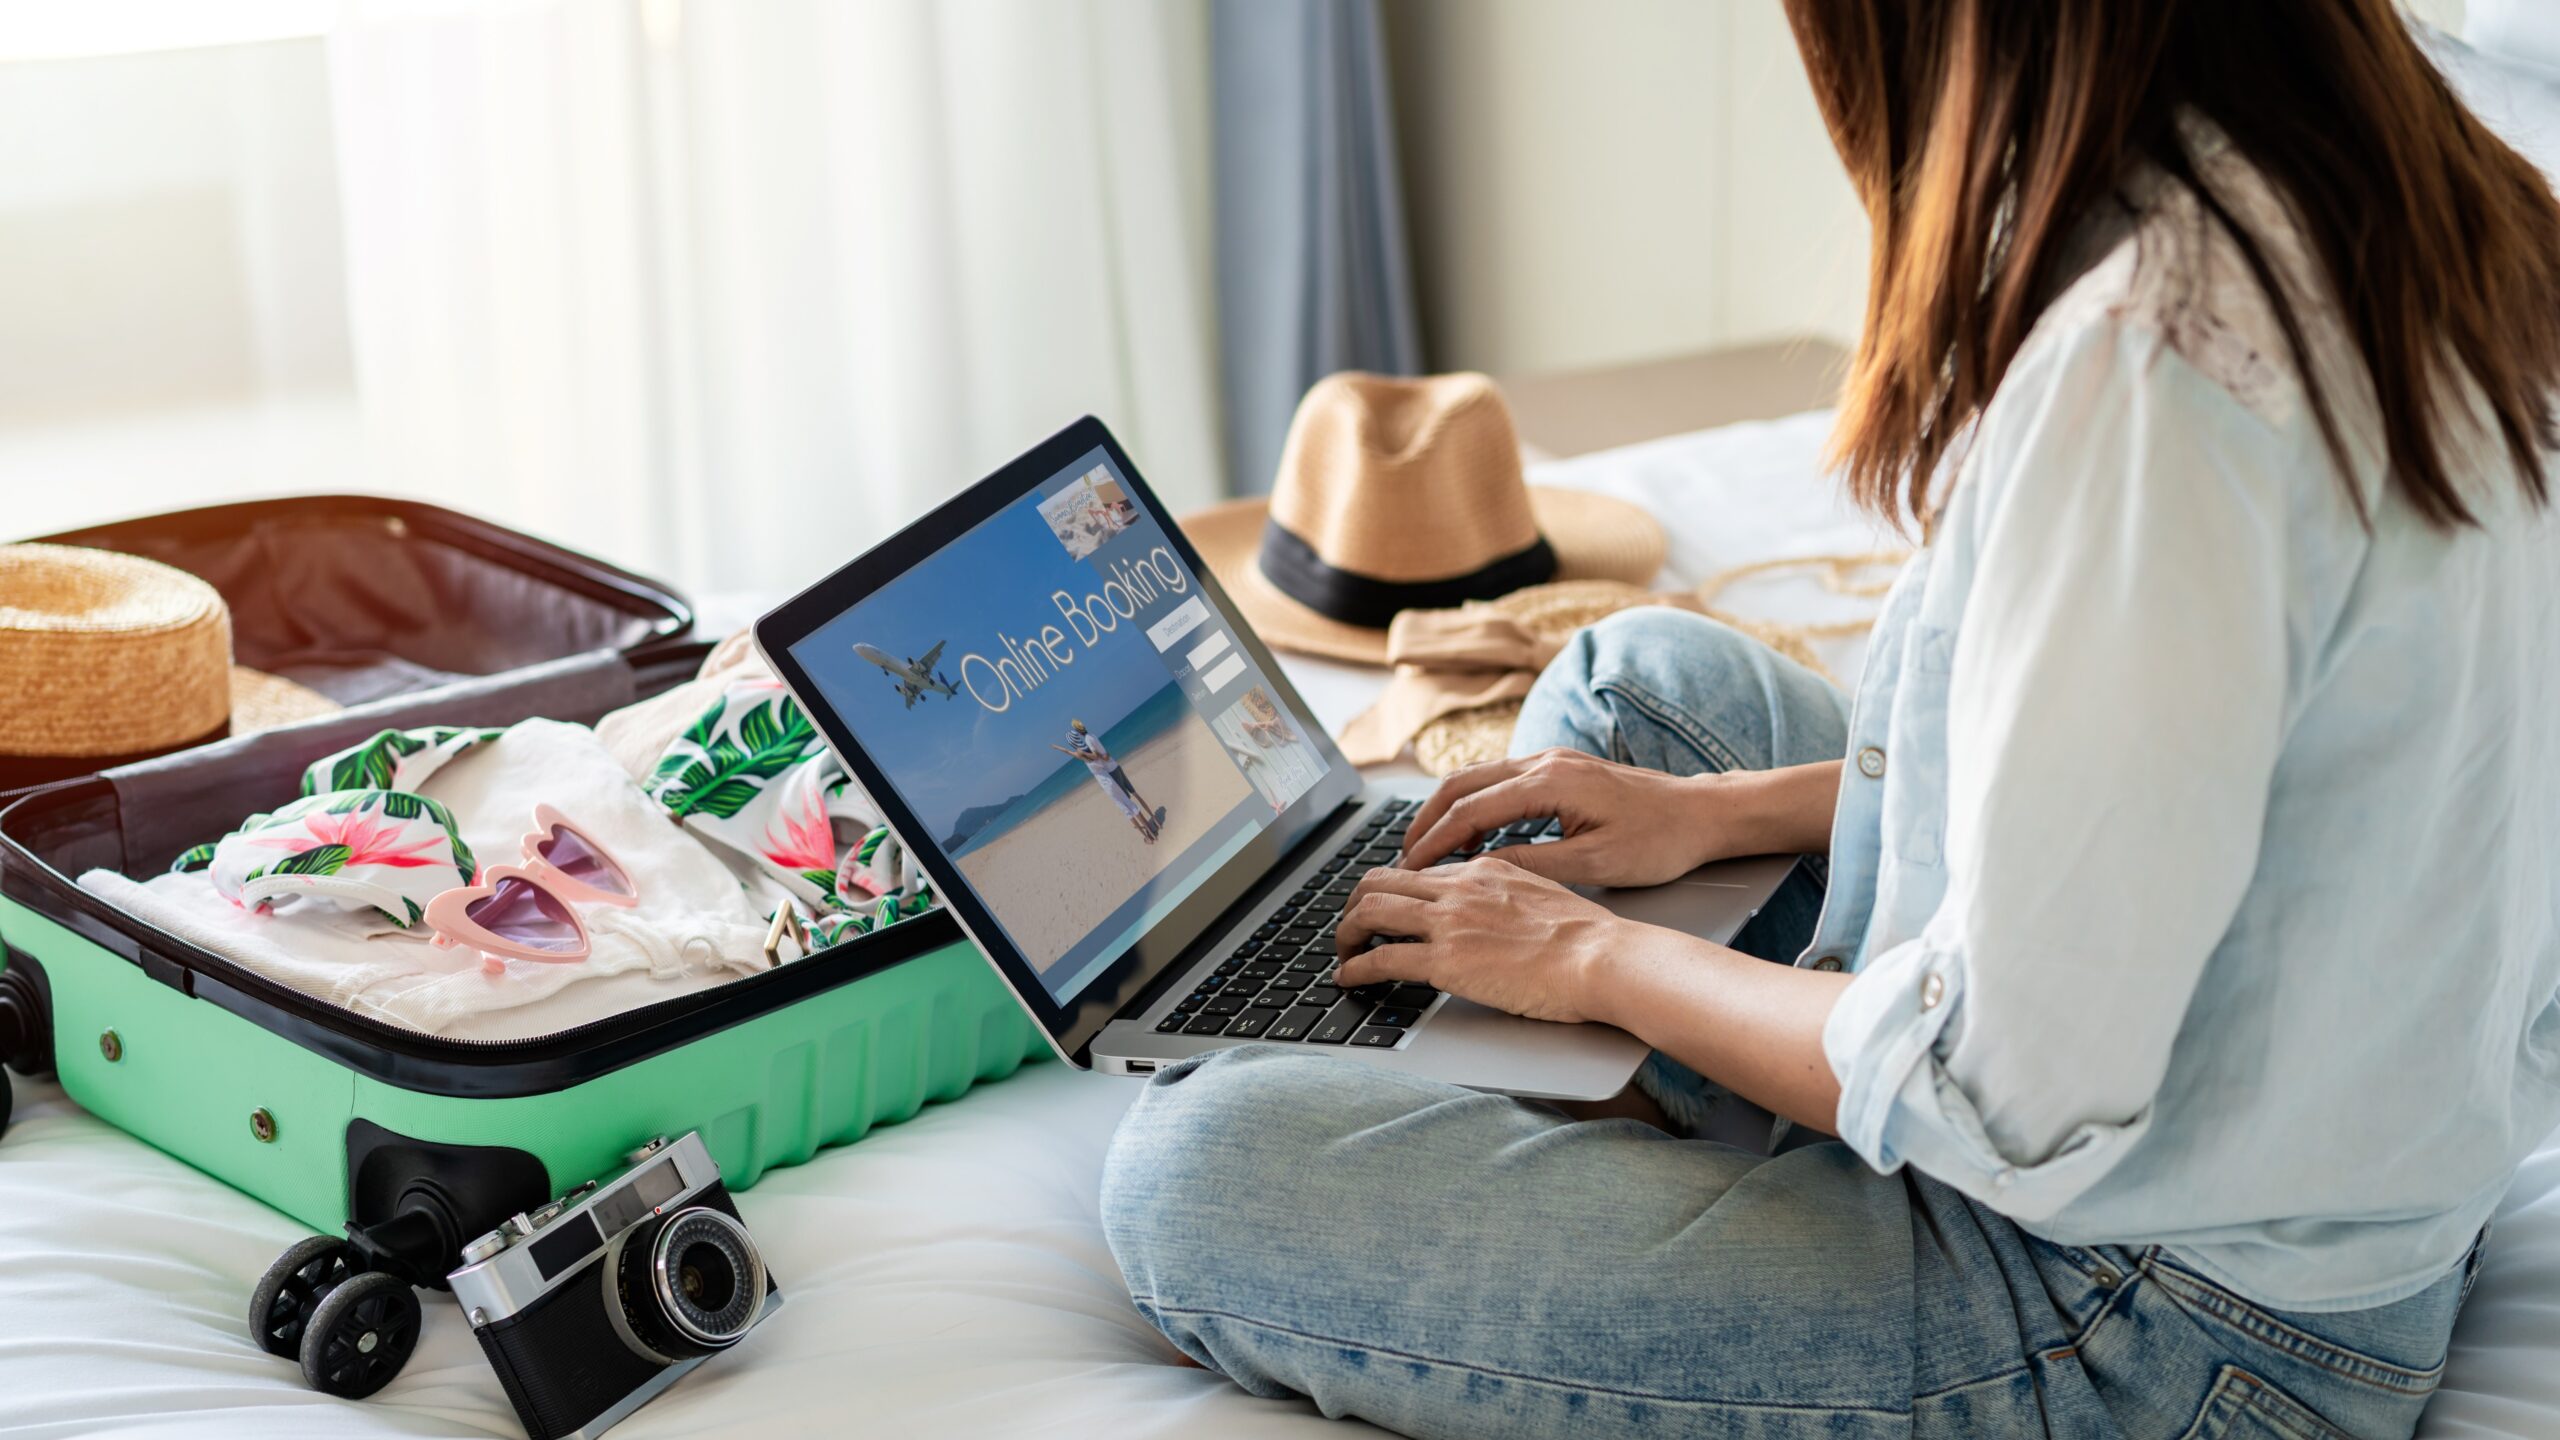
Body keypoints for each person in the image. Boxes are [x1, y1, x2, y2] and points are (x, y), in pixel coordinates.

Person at [1098, 3, 2560, 1437]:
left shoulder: (2157, 378)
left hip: (2142, 1322)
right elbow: (2201, 792)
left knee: (1193, 1176)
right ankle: (1661, 1078)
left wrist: (1599, 960)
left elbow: (1997, 1092)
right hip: (2296, 1132)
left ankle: (1665, 1096)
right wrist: (1714, 818)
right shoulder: (2439, 194)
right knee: (1640, 684)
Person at [1054, 718, 1160, 843]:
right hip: (1112, 776)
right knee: (1131, 805)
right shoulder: (1091, 742)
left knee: (1126, 811)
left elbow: (1069, 752)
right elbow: (1102, 756)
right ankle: (1151, 830)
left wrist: (1058, 748)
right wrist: (1093, 753)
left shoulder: (1083, 754)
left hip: (1108, 784)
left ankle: (1148, 837)